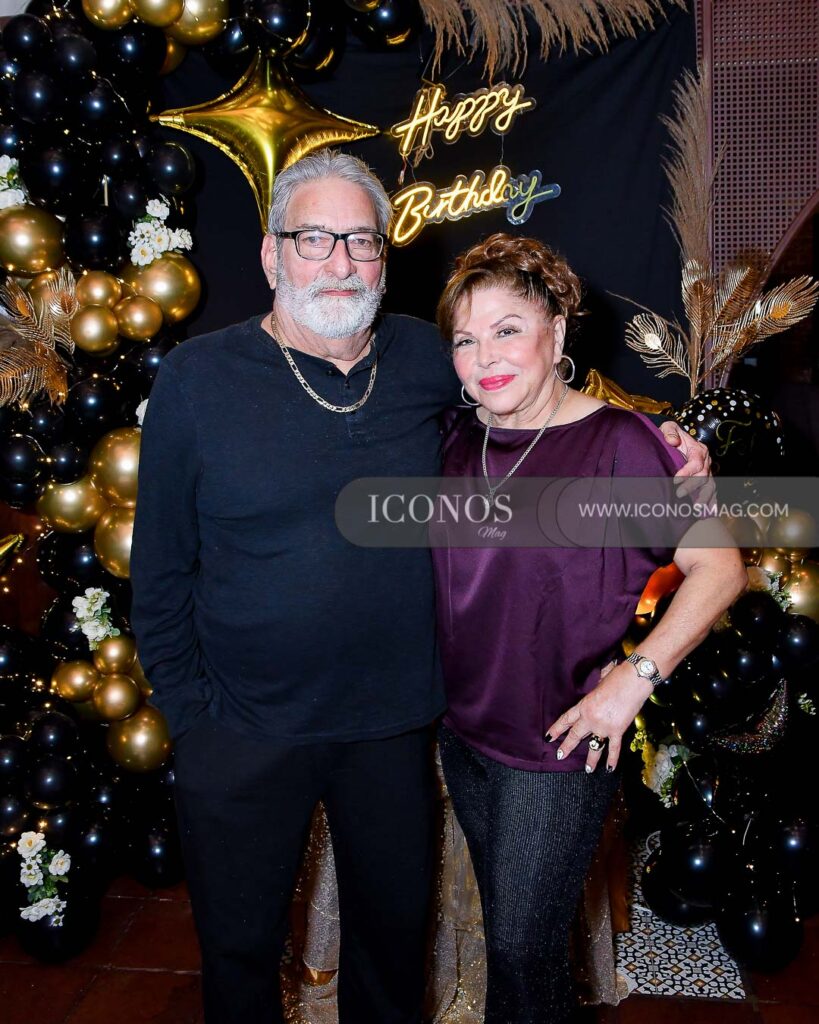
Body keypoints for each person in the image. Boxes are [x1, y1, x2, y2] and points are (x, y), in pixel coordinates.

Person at [130, 150, 710, 1024]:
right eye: (314, 238)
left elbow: (535, 392)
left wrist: (670, 443)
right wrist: (192, 720)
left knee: (392, 953)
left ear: (384, 258)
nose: (339, 261)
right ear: (271, 254)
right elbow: (160, 568)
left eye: (360, 241)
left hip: (394, 727)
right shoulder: (196, 379)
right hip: (242, 727)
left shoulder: (426, 358)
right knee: (239, 954)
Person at [431, 232, 746, 1024]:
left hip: (559, 743)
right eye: (465, 339)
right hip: (464, 735)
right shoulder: (456, 437)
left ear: (556, 330)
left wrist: (630, 683)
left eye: (507, 329)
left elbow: (719, 569)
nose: (483, 356)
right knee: (517, 947)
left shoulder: (620, 444)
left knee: (521, 951)